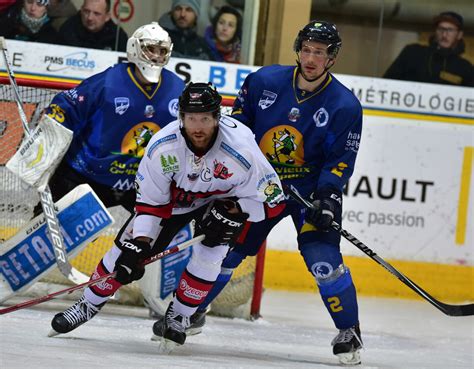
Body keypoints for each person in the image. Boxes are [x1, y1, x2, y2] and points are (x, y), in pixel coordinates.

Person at [48, 82, 284, 353]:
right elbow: (150, 205)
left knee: (211, 255)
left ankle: (180, 315)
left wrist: (238, 211)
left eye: (205, 119)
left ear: (218, 118)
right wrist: (139, 244)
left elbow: (274, 203)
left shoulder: (242, 150)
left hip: (221, 204)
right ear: (180, 117)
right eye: (191, 118)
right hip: (172, 205)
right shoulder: (162, 147)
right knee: (124, 252)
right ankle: (87, 304)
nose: (198, 127)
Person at [188, 21, 365, 365]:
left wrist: (327, 197)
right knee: (225, 251)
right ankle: (190, 310)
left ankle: (349, 330)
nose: (312, 58)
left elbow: (341, 159)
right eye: (308, 49)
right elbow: (237, 131)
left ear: (332, 59)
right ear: (298, 49)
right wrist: (243, 177)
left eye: (321, 52)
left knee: (323, 262)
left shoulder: (345, 105)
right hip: (259, 188)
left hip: (308, 192)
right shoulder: (264, 81)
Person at [33, 22, 184, 216]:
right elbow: (67, 107)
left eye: (161, 50)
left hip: (139, 183)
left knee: (158, 235)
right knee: (50, 230)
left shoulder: (177, 88)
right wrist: (50, 122)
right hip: (87, 176)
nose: (156, 55)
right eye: (150, 49)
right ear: (135, 48)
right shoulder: (108, 82)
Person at [384, 11, 473, 87]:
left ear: (459, 35)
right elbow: (386, 84)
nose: (444, 35)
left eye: (450, 30)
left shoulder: (466, 67)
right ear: (435, 31)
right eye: (440, 29)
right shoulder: (412, 52)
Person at [59, 0, 128, 51]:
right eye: (86, 11)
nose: (90, 18)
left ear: (107, 17)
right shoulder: (68, 29)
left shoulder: (118, 37)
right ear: (81, 10)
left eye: (96, 13)